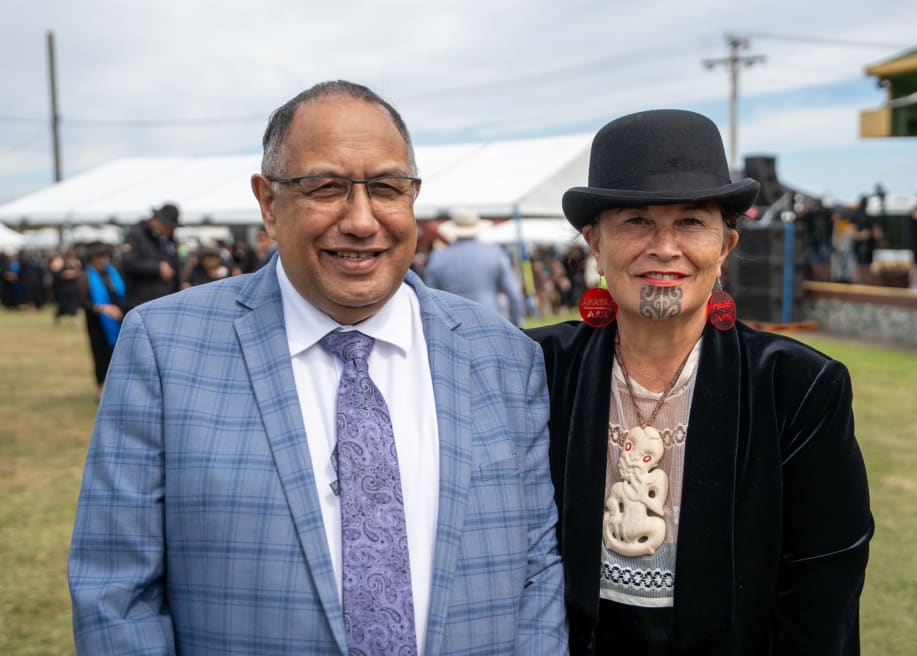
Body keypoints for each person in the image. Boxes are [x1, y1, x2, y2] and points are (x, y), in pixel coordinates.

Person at [68, 80, 566, 655]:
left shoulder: (504, 357)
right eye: (326, 187)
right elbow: (116, 594)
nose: (360, 219)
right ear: (268, 203)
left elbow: (536, 572)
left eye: (386, 187)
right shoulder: (165, 348)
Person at [528, 109, 873, 654]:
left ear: (725, 249)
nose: (664, 247)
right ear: (595, 244)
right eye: (636, 222)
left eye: (690, 223)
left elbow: (821, 590)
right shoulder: (540, 366)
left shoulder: (797, 385)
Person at [424, 207, 526, 326]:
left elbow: (429, 299)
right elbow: (514, 294)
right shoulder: (494, 252)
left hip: (454, 325)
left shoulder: (438, 257)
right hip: (491, 320)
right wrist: (517, 324)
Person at [78, 242, 125, 400]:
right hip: (97, 323)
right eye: (99, 257)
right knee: (100, 355)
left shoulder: (114, 273)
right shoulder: (86, 277)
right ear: (91, 259)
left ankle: (117, 388)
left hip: (118, 320)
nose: (103, 260)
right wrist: (103, 309)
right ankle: (101, 389)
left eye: (105, 256)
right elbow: (83, 301)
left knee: (118, 354)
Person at [119, 201, 182, 308]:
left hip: (165, 300)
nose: (170, 230)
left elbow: (176, 263)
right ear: (157, 220)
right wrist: (157, 268)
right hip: (141, 302)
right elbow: (128, 262)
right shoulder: (135, 234)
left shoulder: (168, 240)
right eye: (168, 226)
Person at [51, 246, 83, 325]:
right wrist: (66, 274)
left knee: (73, 304)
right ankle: (57, 317)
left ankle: (73, 320)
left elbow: (80, 272)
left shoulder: (76, 262)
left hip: (73, 286)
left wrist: (72, 273)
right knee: (62, 304)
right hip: (63, 287)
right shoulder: (60, 261)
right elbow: (55, 273)